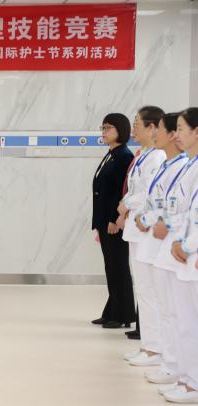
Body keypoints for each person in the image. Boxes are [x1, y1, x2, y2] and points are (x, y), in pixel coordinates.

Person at [132, 113, 187, 373]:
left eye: (161, 129)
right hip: (153, 236)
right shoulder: (167, 164)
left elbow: (176, 207)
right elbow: (155, 199)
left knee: (169, 306)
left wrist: (149, 218)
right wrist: (145, 216)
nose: (156, 134)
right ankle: (154, 349)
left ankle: (164, 356)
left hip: (170, 239)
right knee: (151, 296)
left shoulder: (181, 166)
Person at [116, 106, 166, 363]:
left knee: (149, 291)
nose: (133, 129)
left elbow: (148, 194)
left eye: (137, 124)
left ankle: (155, 349)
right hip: (135, 229)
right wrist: (126, 203)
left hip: (146, 229)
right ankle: (147, 344)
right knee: (143, 290)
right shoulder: (144, 155)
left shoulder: (157, 157)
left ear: (152, 127)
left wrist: (126, 204)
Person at [160, 107, 198, 403]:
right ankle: (186, 379)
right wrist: (179, 241)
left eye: (182, 129)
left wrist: (187, 245)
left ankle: (194, 383)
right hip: (183, 249)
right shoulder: (190, 165)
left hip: (191, 252)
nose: (177, 135)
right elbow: (183, 211)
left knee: (191, 322)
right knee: (184, 321)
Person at [92, 113, 136, 328]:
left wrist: (112, 219)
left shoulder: (124, 156)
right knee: (111, 267)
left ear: (121, 130)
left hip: (114, 222)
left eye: (109, 127)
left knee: (119, 267)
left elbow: (119, 192)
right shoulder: (111, 155)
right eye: (103, 127)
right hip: (104, 220)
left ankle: (123, 315)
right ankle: (112, 311)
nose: (104, 131)